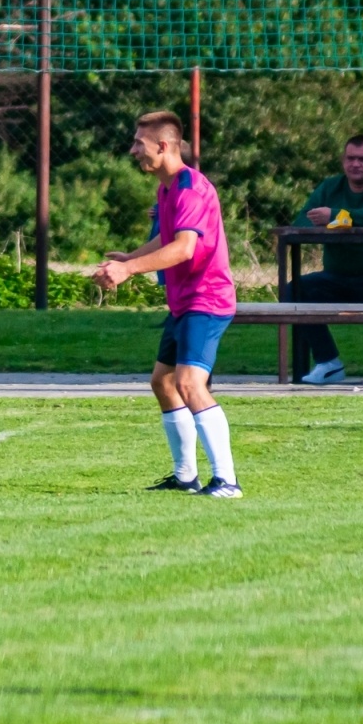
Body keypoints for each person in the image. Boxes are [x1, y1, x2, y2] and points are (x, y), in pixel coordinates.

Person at [95, 111, 241, 498]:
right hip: (184, 303)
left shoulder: (190, 188)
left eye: (138, 144)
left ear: (162, 146)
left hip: (206, 301)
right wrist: (128, 261)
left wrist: (128, 271)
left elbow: (184, 247)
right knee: (162, 382)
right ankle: (186, 477)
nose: (132, 150)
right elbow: (166, 240)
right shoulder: (167, 189)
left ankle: (227, 480)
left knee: (189, 383)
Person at [290, 135, 363, 385]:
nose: (356, 164)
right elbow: (301, 220)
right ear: (343, 161)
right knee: (294, 291)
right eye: (350, 158)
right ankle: (327, 362)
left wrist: (338, 216)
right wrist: (322, 223)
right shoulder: (330, 187)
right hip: (336, 276)